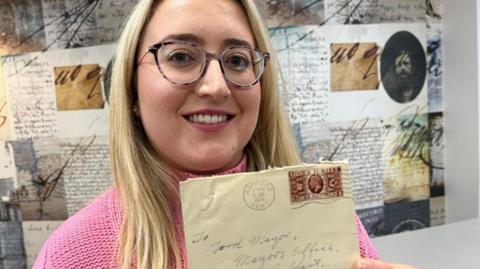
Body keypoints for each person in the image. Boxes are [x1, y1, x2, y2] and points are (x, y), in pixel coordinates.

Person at [33, 0, 419, 268]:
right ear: (132, 92)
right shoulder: (69, 255)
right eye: (181, 56)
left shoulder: (322, 218)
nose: (216, 86)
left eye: (237, 60)